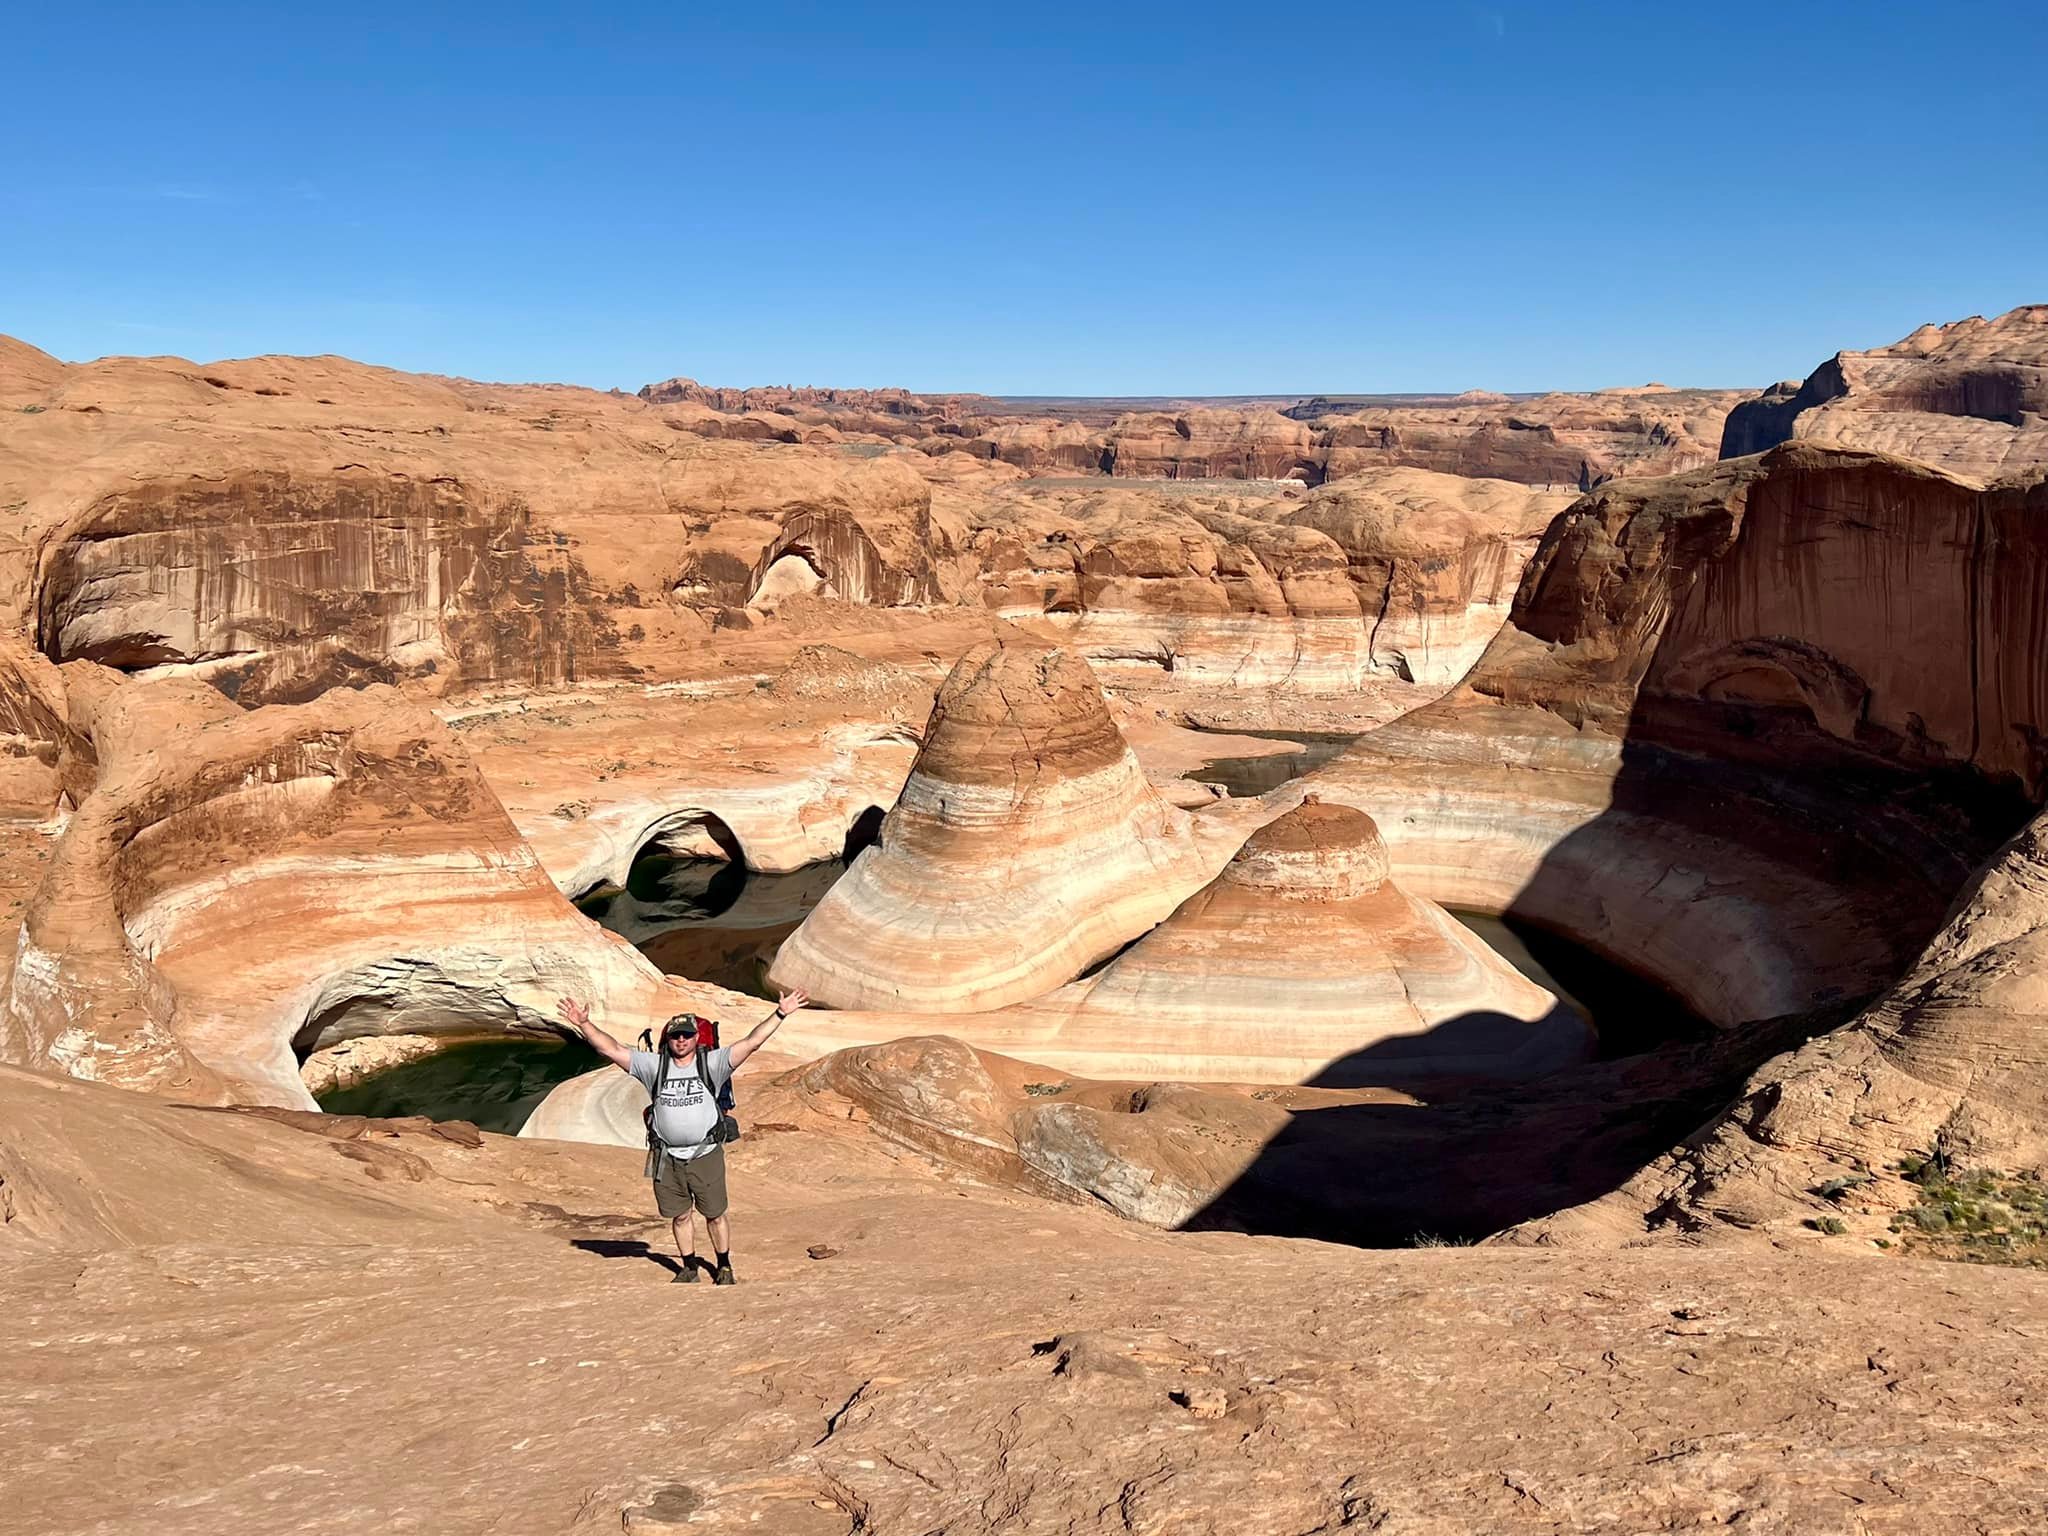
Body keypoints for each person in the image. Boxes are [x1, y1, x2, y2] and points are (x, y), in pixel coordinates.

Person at [554, 989, 808, 1285]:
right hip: (667, 1156)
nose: (682, 1040)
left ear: (696, 1038)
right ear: (668, 1040)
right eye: (676, 1036)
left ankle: (724, 1265)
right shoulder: (654, 1066)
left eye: (687, 1035)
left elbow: (752, 1042)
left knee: (715, 1214)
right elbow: (611, 1049)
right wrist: (584, 1024)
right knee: (680, 1215)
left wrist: (780, 1013)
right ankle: (689, 1267)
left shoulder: (712, 1063)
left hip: (705, 1154)